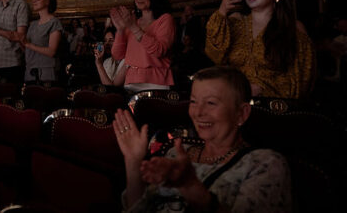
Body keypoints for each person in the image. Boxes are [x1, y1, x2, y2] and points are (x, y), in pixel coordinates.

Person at [114, 66, 292, 212]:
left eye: (211, 103)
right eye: (193, 102)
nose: (198, 113)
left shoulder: (264, 164)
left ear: (241, 113)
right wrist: (133, 162)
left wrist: (192, 188)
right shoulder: (176, 152)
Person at [205, 0, 315, 98]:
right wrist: (222, 11)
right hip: (235, 102)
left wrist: (263, 91)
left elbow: (302, 79)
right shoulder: (235, 22)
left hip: (273, 107)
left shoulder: (292, 28)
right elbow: (214, 54)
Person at [110, 0, 175, 92]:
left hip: (155, 84)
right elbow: (117, 55)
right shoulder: (133, 22)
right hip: (131, 83)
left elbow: (158, 51)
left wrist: (133, 27)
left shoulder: (165, 19)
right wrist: (120, 30)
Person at [21, 0, 63, 84]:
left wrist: (28, 44)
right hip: (30, 71)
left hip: (47, 73)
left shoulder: (54, 22)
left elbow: (52, 51)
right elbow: (27, 49)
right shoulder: (33, 24)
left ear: (48, 1)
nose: (34, 0)